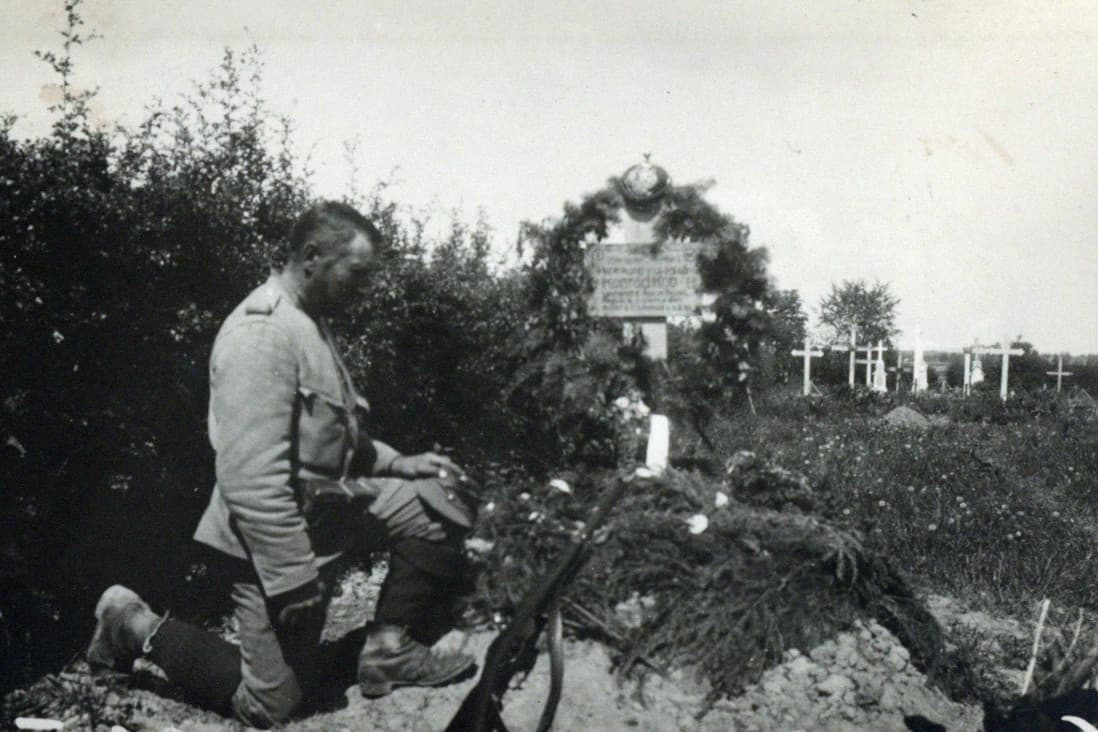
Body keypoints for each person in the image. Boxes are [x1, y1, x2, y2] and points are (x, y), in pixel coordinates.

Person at [86, 201, 478, 727]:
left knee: (434, 500)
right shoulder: (263, 333)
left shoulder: (308, 325)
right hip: (264, 541)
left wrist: (402, 464)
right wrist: (293, 577)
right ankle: (128, 622)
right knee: (272, 705)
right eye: (358, 274)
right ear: (313, 256)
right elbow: (250, 480)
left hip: (324, 512)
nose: (366, 289)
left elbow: (336, 442)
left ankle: (388, 649)